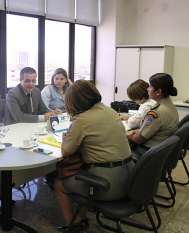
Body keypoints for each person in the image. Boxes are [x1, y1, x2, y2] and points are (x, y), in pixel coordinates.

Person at [53, 80, 133, 230]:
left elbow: (66, 151)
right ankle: (82, 214)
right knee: (80, 169)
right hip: (130, 176)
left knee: (59, 184)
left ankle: (75, 224)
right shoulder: (109, 110)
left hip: (109, 184)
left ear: (73, 101)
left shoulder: (82, 120)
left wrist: (66, 138)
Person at [127, 73, 179, 158]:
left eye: (150, 86)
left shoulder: (156, 113)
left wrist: (126, 134)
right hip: (162, 150)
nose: (147, 89)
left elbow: (138, 139)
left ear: (158, 92)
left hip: (149, 153)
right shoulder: (170, 105)